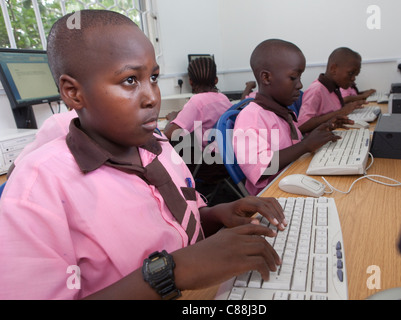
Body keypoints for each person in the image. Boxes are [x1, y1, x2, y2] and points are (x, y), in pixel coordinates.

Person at [0, 10, 287, 300]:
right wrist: (172, 271)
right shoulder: (37, 190)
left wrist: (215, 215)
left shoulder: (157, 145)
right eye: (129, 80)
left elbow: (181, 221)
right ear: (74, 93)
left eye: (153, 77)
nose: (152, 97)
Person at [232, 39, 347, 196]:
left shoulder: (281, 112)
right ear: (266, 78)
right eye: (293, 78)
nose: (300, 85)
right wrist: (305, 145)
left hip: (295, 181)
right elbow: (262, 168)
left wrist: (315, 135)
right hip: (273, 195)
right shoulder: (251, 117)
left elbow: (292, 148)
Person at [163, 57, 231, 149]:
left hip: (208, 159)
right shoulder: (223, 98)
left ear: (190, 82)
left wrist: (172, 117)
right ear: (216, 80)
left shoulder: (196, 101)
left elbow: (169, 134)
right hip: (225, 154)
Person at [297, 47, 366, 134]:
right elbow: (301, 126)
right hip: (316, 143)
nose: (353, 79)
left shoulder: (334, 88)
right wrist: (340, 112)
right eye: (351, 73)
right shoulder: (316, 90)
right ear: (333, 69)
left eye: (356, 75)